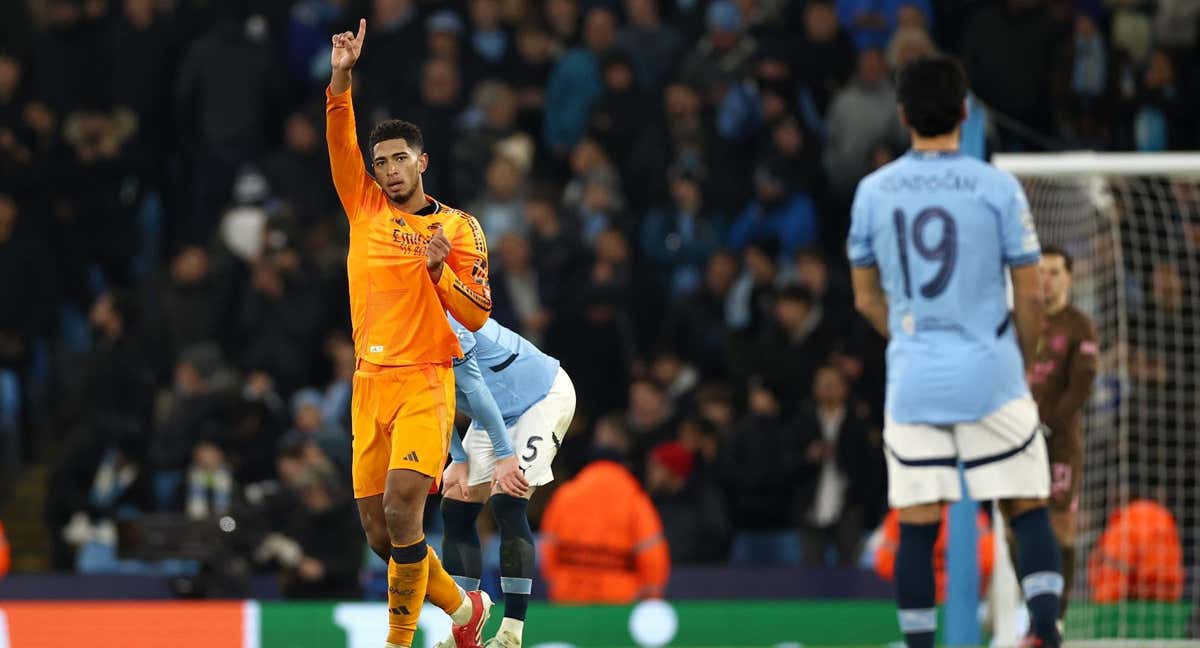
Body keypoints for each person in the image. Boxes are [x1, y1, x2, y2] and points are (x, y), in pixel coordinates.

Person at [847, 55, 1062, 648]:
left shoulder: (872, 192)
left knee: (917, 527)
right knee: (1026, 508)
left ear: (902, 115)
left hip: (915, 380)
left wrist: (918, 340)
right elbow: (1031, 289)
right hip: (992, 371)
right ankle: (1046, 632)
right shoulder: (997, 186)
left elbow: (866, 300)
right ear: (965, 113)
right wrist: (1018, 351)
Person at [326, 20, 494, 648]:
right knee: (380, 534)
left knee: (404, 507)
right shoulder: (364, 208)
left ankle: (398, 642)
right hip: (369, 384)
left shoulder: (459, 229)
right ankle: (462, 609)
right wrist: (341, 76)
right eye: (381, 162)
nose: (391, 170)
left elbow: (477, 313)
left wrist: (438, 272)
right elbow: (339, 134)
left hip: (426, 378)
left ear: (422, 162)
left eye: (400, 159)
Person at [436, 314, 577, 648]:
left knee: (508, 497)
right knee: (456, 503)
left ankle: (512, 631)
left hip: (541, 398)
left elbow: (473, 389)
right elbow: (435, 401)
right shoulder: (403, 335)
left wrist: (504, 455)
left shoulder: (447, 324)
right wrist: (457, 457)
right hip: (495, 409)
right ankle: (464, 626)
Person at [1028, 245, 1097, 621]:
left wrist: (1050, 422)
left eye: (1055, 272)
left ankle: (1057, 617)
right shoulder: (1025, 319)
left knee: (1061, 526)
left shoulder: (1078, 325)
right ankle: (1028, 607)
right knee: (1013, 525)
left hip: (1059, 444)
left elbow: (1081, 385)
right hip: (1018, 442)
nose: (1047, 280)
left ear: (1069, 277)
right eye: (1041, 271)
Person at [539, 415, 669, 603]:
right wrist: (650, 597)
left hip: (569, 599)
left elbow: (548, 548)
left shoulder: (567, 494)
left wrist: (558, 581)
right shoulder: (634, 498)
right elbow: (652, 556)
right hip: (618, 602)